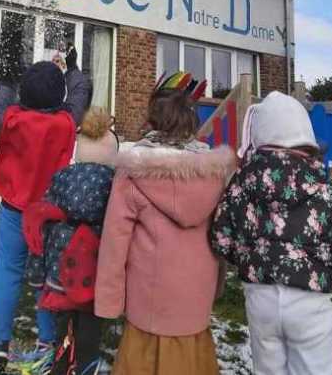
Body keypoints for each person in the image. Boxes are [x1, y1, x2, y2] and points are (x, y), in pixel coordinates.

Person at [211, 91, 332, 375]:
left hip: (260, 297)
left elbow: (221, 237)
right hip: (310, 299)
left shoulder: (242, 181)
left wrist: (249, 258)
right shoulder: (323, 185)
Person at [95, 77, 235, 375]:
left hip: (148, 298)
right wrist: (217, 284)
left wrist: (109, 299)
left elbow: (115, 240)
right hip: (196, 293)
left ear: (153, 119)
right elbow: (219, 233)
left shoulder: (134, 170)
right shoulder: (214, 173)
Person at [0, 61, 78, 375]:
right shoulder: (66, 122)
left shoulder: (11, 119)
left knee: (6, 271)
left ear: (24, 92)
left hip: (14, 208)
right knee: (46, 277)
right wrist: (73, 70)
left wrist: (5, 79)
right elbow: (79, 95)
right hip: (48, 213)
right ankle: (47, 341)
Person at [23, 107, 119, 375]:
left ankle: (62, 365)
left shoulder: (61, 179)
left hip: (60, 272)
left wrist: (36, 273)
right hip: (95, 272)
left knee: (63, 325)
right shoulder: (114, 184)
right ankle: (86, 367)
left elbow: (41, 227)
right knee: (90, 327)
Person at [0, 44, 92, 133]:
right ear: (60, 93)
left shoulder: (13, 125)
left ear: (24, 92)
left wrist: (7, 81)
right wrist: (72, 68)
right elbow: (78, 94)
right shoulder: (64, 125)